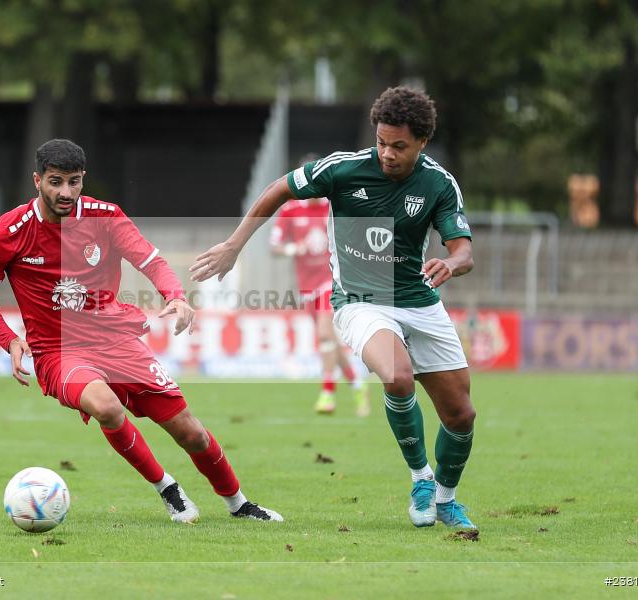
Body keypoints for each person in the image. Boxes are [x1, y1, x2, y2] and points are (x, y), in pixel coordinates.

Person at [191, 87, 477, 530]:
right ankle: (421, 478)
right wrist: (234, 246)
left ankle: (446, 498)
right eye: (381, 142)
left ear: (422, 142)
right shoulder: (343, 168)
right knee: (398, 375)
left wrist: (451, 264)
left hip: (419, 300)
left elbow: (463, 251)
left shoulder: (439, 183)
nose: (387, 153)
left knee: (461, 415)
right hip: (359, 301)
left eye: (399, 146)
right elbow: (278, 189)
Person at [0, 138, 282, 523]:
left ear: (83, 179)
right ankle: (167, 488)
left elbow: (150, 261)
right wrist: (10, 340)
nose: (65, 192)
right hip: (58, 351)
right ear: (37, 180)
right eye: (55, 182)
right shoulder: (6, 233)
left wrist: (176, 296)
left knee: (191, 433)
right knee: (106, 407)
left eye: (74, 181)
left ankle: (239, 505)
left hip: (117, 340)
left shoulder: (106, 217)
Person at [269, 154, 369, 416]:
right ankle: (358, 385)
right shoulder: (291, 209)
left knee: (325, 334)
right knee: (329, 341)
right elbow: (274, 246)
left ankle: (327, 393)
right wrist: (295, 248)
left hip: (331, 280)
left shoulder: (333, 206)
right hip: (306, 285)